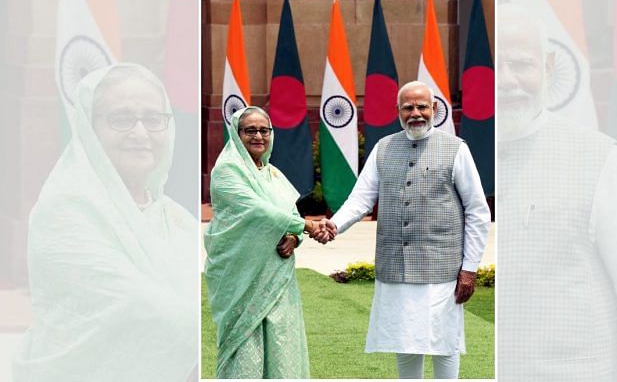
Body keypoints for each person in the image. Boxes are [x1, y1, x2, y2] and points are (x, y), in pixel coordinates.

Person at [497, 4, 617, 381]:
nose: (507, 79)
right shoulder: (457, 157)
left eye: (521, 64)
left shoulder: (599, 160)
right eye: (495, 65)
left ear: (548, 67)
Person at [13, 63, 197, 381]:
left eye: (153, 119)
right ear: (90, 128)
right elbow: (137, 309)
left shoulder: (175, 217)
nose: (140, 133)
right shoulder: (63, 210)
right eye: (122, 119)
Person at [316, 81, 491, 379]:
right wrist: (333, 225)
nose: (416, 113)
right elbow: (361, 199)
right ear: (397, 111)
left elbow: (477, 210)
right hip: (395, 266)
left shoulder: (456, 149)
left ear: (434, 109)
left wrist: (470, 268)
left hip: (442, 269)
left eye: (422, 106)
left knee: (443, 342)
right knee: (404, 340)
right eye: (408, 107)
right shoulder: (383, 148)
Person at [203, 106, 332, 379]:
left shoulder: (272, 173)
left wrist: (295, 237)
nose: (258, 136)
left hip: (277, 276)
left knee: (281, 339)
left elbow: (290, 212)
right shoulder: (227, 170)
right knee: (244, 342)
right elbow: (257, 211)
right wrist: (307, 226)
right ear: (237, 135)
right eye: (250, 130)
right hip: (241, 275)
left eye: (264, 130)